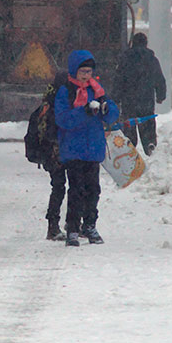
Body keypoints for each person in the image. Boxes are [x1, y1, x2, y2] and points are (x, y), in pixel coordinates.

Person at [54, 49, 119, 247]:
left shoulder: (97, 91)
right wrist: (84, 112)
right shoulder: (66, 91)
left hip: (93, 150)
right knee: (76, 190)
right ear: (74, 71)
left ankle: (90, 225)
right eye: (82, 71)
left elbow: (112, 114)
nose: (86, 75)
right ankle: (72, 228)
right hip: (74, 150)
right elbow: (63, 119)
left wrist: (108, 110)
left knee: (93, 190)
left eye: (89, 72)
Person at [113, 32, 167, 156]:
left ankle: (130, 146)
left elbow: (119, 80)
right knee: (148, 123)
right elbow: (159, 79)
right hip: (146, 100)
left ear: (133, 43)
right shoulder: (152, 59)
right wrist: (160, 96)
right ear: (146, 44)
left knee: (129, 124)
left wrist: (115, 98)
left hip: (129, 100)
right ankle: (150, 143)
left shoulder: (125, 59)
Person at [39, 73, 67, 241]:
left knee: (58, 187)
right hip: (58, 151)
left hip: (50, 153)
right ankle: (63, 224)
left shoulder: (48, 101)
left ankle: (53, 225)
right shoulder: (59, 103)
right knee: (64, 187)